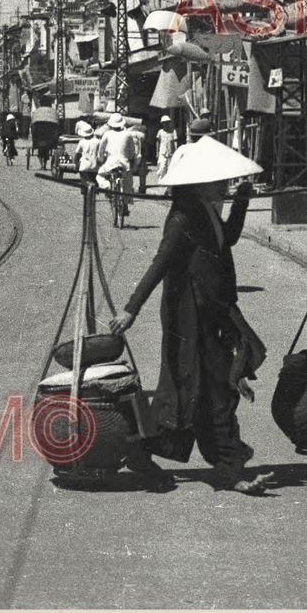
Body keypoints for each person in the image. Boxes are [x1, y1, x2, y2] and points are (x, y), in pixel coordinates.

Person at [109, 136, 272, 495]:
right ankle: (230, 469)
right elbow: (161, 263)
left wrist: (241, 202)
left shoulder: (205, 208)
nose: (225, 185)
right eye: (221, 180)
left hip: (212, 314)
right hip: (189, 320)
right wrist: (130, 310)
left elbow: (226, 238)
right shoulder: (183, 216)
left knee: (194, 392)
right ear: (199, 181)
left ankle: (143, 449)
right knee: (213, 389)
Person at [97, 113, 140, 211]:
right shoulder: (128, 134)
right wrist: (129, 158)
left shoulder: (107, 134)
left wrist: (100, 159)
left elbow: (101, 149)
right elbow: (132, 150)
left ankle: (107, 187)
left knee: (99, 176)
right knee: (128, 183)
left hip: (110, 164)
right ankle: (126, 202)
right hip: (124, 164)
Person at [74, 120, 102, 186]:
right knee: (94, 182)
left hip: (84, 166)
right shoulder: (98, 142)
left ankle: (85, 192)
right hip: (95, 167)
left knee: (84, 184)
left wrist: (76, 164)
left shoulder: (82, 142)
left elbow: (77, 154)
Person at [155, 115, 178, 182]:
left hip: (171, 153)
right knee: (162, 167)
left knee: (171, 168)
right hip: (162, 153)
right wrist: (157, 152)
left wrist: (176, 152)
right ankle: (161, 181)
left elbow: (175, 142)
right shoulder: (160, 132)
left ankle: (169, 181)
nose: (166, 124)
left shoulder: (173, 131)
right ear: (162, 123)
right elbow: (158, 142)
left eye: (167, 122)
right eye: (164, 123)